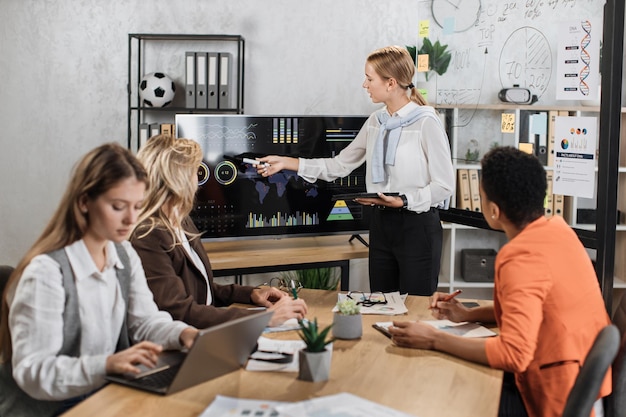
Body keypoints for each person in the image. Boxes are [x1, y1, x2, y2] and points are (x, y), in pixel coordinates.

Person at [388, 147, 612, 417]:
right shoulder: (558, 231)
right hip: (585, 387)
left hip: (556, 396)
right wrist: (468, 314)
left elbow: (514, 355)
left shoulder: (519, 257)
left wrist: (435, 339)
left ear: (493, 210)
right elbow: (536, 310)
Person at [0, 143, 198, 416]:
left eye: (138, 206)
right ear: (84, 202)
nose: (131, 219)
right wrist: (106, 364)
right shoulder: (45, 273)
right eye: (118, 206)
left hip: (103, 396)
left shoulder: (123, 254)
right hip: (54, 408)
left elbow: (145, 322)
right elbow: (33, 371)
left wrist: (183, 333)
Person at [256, 45, 454, 296]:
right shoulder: (376, 121)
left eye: (370, 79)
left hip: (417, 228)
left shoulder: (426, 123)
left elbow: (444, 185)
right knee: (383, 305)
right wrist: (287, 163)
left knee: (415, 310)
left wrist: (404, 200)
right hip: (381, 225)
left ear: (391, 83)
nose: (364, 84)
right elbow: (340, 165)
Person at [130, 134, 308, 329]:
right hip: (185, 341)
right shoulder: (148, 235)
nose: (197, 181)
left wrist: (249, 293)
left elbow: (199, 290)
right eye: (194, 172)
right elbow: (179, 312)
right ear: (177, 178)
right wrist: (264, 317)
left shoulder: (181, 220)